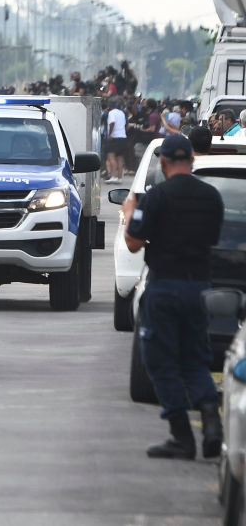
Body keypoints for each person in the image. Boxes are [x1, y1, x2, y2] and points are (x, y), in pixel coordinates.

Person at [122, 134, 224, 460]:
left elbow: (134, 244)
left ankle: (182, 435)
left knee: (162, 362)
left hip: (165, 287)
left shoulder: (156, 197)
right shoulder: (212, 197)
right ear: (192, 161)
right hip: (198, 288)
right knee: (195, 360)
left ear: (163, 162)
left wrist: (129, 212)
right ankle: (211, 424)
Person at [105, 98, 127, 184]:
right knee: (120, 158)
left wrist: (110, 134)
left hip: (115, 137)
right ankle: (119, 177)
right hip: (123, 137)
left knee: (111, 157)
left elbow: (112, 123)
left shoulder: (111, 113)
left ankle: (114, 176)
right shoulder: (121, 113)